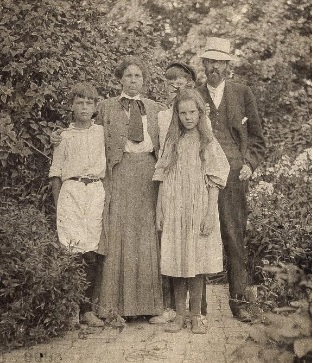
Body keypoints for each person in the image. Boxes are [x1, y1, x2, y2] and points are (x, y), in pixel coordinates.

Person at [197, 37, 266, 322]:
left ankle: (239, 302)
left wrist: (249, 163)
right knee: (197, 235)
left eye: (219, 62)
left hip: (235, 177)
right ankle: (197, 308)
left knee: (234, 237)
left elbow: (258, 140)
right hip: (200, 176)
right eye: (210, 62)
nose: (214, 67)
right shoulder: (193, 94)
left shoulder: (242, 93)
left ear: (227, 66)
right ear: (203, 65)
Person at [153, 89, 229, 334]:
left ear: (200, 113)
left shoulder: (207, 142)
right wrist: (160, 209)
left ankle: (196, 315)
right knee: (176, 259)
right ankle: (179, 315)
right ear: (176, 115)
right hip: (175, 208)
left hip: (198, 209)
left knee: (196, 261)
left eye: (192, 112)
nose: (188, 117)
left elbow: (215, 179)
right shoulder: (172, 142)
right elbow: (163, 178)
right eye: (183, 113)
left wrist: (209, 214)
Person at [95, 56, 164, 319]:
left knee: (146, 234)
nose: (133, 80)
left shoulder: (157, 109)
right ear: (120, 79)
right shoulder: (105, 107)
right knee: (118, 233)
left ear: (144, 81)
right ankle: (114, 307)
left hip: (148, 173)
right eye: (129, 76)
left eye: (138, 76)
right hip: (120, 172)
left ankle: (149, 307)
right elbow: (87, 133)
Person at [49, 82, 106, 327]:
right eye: (79, 102)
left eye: (88, 103)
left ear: (95, 107)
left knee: (91, 250)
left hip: (94, 191)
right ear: (71, 106)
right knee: (71, 250)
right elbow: (55, 172)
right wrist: (59, 204)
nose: (84, 107)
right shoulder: (63, 136)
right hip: (70, 192)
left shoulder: (102, 132)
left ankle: (87, 310)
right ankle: (70, 309)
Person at [149, 61, 197, 325]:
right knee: (169, 243)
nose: (175, 87)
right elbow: (158, 150)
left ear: (188, 85)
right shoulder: (162, 115)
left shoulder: (194, 113)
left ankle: (197, 310)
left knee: (192, 245)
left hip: (192, 184)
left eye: (181, 82)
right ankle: (171, 306)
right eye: (170, 83)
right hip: (168, 180)